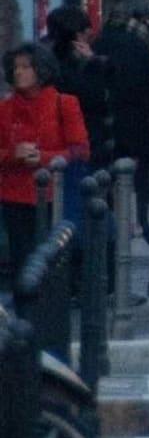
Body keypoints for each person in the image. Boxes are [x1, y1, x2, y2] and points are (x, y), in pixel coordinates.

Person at [0, 43, 89, 279]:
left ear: (41, 70)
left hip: (54, 195)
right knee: (23, 261)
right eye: (15, 67)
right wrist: (13, 154)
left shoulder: (64, 103)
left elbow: (80, 149)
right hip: (15, 196)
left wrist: (44, 158)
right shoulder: (4, 109)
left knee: (53, 261)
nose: (19, 72)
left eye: (26, 67)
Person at [93, 0, 149, 208]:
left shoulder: (104, 36)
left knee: (109, 175)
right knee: (145, 173)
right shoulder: (142, 38)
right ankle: (142, 215)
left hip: (109, 115)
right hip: (139, 114)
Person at [45, 6, 113, 170]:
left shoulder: (43, 59)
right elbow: (96, 99)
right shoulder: (80, 66)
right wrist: (94, 64)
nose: (90, 33)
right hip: (83, 139)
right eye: (84, 31)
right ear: (76, 35)